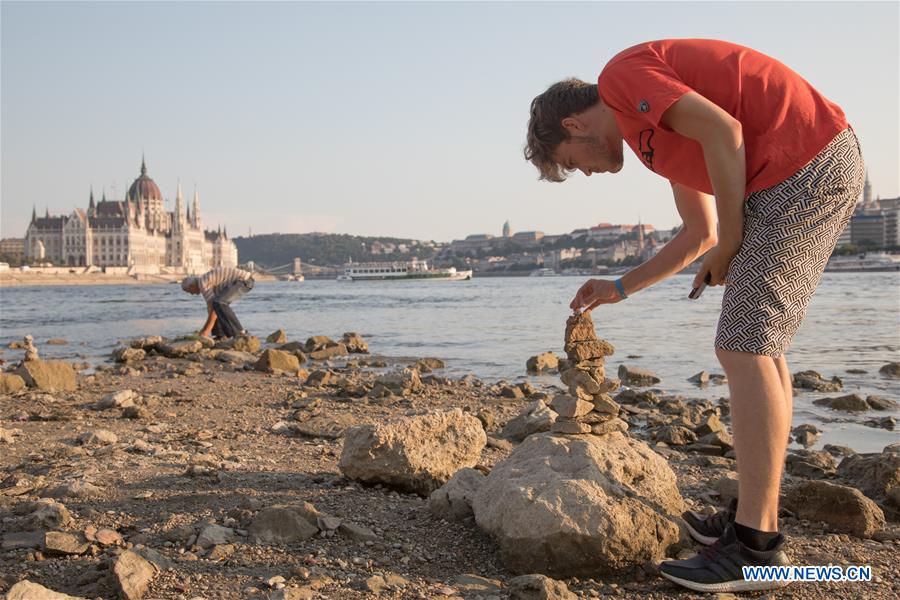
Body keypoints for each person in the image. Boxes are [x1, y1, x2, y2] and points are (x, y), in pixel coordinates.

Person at [525, 39, 864, 593]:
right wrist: (619, 286)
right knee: (759, 348)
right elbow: (697, 233)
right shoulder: (650, 136)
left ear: (574, 125)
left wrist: (732, 241)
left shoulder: (622, 78)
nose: (583, 174)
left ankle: (755, 548)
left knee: (745, 348)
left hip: (803, 162)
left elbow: (726, 133)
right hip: (788, 174)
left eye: (571, 163)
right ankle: (756, 526)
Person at [181, 266, 255, 340]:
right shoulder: (207, 282)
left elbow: (213, 311)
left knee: (220, 303)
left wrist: (204, 332)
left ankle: (240, 332)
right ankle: (220, 335)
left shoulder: (203, 283)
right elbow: (211, 308)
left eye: (189, 291)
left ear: (192, 286)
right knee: (217, 305)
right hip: (242, 281)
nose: (191, 294)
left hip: (244, 281)